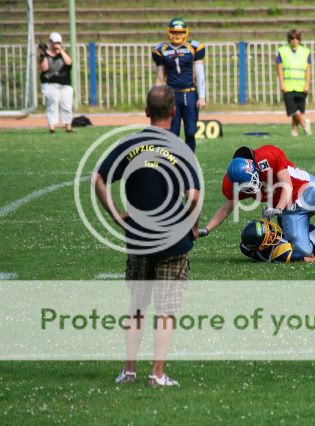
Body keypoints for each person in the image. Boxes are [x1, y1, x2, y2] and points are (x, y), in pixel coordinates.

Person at [93, 85, 201, 387]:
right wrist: (191, 222)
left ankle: (128, 371)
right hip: (173, 239)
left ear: (146, 112)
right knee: (166, 309)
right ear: (174, 111)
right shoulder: (181, 149)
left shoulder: (130, 144)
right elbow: (193, 196)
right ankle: (157, 373)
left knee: (137, 306)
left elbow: (97, 179)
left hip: (139, 238)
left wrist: (116, 216)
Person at [200, 144, 315, 258]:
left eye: (250, 184)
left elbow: (286, 185)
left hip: (307, 190)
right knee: (303, 251)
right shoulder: (235, 182)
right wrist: (207, 230)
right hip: (290, 209)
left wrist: (277, 209)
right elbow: (225, 209)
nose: (249, 190)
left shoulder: (267, 157)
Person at [153, 17, 206, 152]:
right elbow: (160, 78)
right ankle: (173, 162)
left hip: (190, 94)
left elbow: (200, 74)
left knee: (190, 131)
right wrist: (156, 98)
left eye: (180, 32)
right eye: (174, 32)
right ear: (169, 32)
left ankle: (189, 162)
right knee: (172, 133)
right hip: (171, 95)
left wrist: (202, 97)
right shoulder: (161, 49)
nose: (177, 35)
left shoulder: (194, 47)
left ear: (185, 33)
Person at [239, 216, 315, 263]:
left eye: (269, 230)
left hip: (300, 238)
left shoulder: (245, 247)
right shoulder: (283, 254)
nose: (273, 233)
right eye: (268, 237)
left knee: (283, 216)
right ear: (261, 247)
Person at [276, 29, 312, 137]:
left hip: (301, 86)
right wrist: (281, 83)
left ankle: (294, 131)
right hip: (288, 86)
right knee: (293, 110)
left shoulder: (305, 51)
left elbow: (308, 70)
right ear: (289, 39)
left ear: (300, 39)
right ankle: (305, 124)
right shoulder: (282, 51)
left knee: (298, 111)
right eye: (292, 38)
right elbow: (279, 69)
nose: (294, 40)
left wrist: (307, 84)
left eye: (296, 38)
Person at [39, 32, 73, 133]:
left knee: (67, 106)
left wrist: (61, 51)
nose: (56, 44)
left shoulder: (64, 53)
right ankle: (52, 127)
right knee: (52, 105)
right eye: (54, 42)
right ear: (50, 42)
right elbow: (44, 68)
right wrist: (45, 54)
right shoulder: (44, 54)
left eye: (58, 42)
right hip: (50, 84)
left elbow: (69, 63)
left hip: (65, 84)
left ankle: (68, 126)